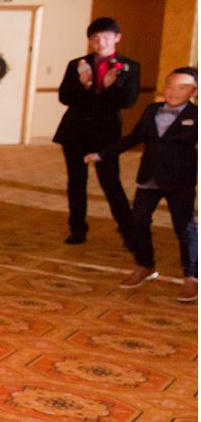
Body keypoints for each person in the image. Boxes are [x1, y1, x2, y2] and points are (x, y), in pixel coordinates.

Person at [86, 66, 197, 301]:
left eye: (182, 88)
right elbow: (133, 138)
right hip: (149, 178)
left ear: (194, 92)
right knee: (137, 221)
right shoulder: (151, 110)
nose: (174, 92)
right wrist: (102, 154)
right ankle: (145, 265)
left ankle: (192, 276)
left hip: (179, 181)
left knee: (184, 228)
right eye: (170, 86)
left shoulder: (196, 116)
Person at [53, 17, 141, 245]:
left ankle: (128, 231)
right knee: (76, 182)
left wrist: (111, 87)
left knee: (110, 181)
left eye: (105, 37)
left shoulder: (129, 67)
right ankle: (78, 228)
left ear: (116, 38)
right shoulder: (77, 65)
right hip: (75, 132)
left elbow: (128, 101)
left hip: (107, 134)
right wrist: (84, 85)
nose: (100, 42)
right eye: (95, 38)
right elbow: (65, 97)